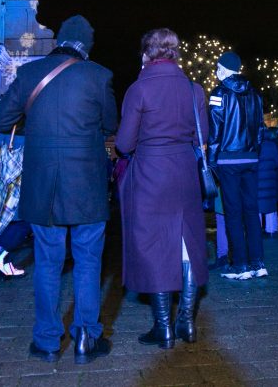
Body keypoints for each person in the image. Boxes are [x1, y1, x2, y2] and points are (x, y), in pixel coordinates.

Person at [0, 14, 118, 365]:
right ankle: (87, 338)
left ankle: (47, 341)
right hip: (87, 186)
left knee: (47, 262)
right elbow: (111, 124)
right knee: (88, 261)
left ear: (58, 40)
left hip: (42, 185)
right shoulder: (99, 76)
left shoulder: (30, 73)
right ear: (87, 46)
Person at [115, 28, 209, 349]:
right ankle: (186, 321)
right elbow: (202, 137)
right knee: (188, 246)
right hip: (184, 173)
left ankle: (164, 327)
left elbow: (125, 143)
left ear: (147, 54)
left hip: (151, 174)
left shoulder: (139, 89)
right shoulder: (194, 89)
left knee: (154, 244)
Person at [207, 51, 265, 280]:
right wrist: (254, 153)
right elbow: (260, 129)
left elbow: (215, 130)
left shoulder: (219, 93)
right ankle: (258, 262)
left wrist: (212, 160)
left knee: (232, 212)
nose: (216, 71)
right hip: (250, 158)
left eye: (217, 67)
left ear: (223, 68)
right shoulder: (256, 94)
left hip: (228, 160)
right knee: (251, 210)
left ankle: (239, 264)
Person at [256, 124, 278, 235]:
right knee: (270, 205)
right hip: (270, 179)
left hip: (257, 179)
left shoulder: (255, 144)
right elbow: (276, 162)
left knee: (257, 206)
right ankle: (271, 229)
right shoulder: (272, 145)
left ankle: (257, 229)